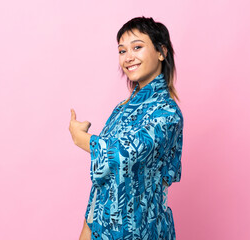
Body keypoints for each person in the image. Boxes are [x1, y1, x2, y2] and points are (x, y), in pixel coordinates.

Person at [69, 16, 184, 240]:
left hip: (143, 232)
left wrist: (80, 138)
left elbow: (121, 155)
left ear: (161, 52)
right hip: (103, 230)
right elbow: (104, 182)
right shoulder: (122, 108)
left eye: (137, 47)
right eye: (122, 51)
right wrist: (87, 229)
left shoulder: (167, 114)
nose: (128, 57)